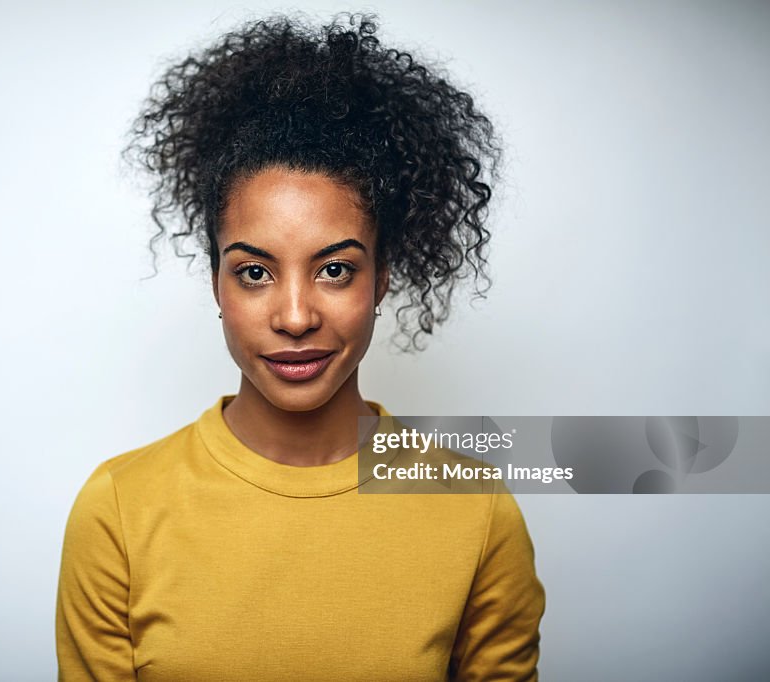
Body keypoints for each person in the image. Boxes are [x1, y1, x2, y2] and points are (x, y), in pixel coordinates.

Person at [56, 13, 544, 681]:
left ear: (384, 276)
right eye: (255, 272)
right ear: (217, 284)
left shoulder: (477, 510)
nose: (294, 316)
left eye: (335, 268)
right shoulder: (117, 509)